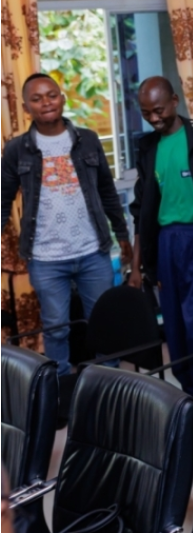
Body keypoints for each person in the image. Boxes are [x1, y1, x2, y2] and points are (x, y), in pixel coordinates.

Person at [1, 74, 131, 376]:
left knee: (103, 322)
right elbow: (3, 199)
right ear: (26, 107)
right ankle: (58, 386)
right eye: (37, 99)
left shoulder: (88, 139)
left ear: (62, 98)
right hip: (45, 258)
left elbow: (106, 190)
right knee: (56, 328)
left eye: (51, 95)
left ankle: (108, 382)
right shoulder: (17, 149)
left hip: (92, 252)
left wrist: (122, 234)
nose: (46, 102)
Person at [129, 76, 193, 409]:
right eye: (146, 113)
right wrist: (137, 265)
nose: (154, 118)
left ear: (174, 100)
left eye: (159, 110)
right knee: (176, 331)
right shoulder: (147, 147)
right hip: (166, 243)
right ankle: (190, 402)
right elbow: (141, 210)